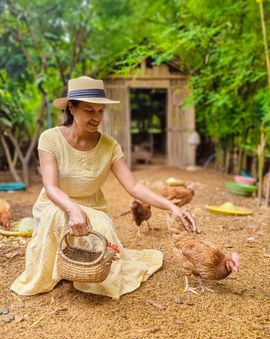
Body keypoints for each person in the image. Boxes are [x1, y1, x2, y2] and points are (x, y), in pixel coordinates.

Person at [11, 76, 198, 299]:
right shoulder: (50, 139)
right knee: (55, 215)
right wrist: (72, 208)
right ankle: (57, 266)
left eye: (100, 111)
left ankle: (83, 266)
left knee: (100, 226)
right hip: (56, 202)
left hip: (93, 208)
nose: (96, 117)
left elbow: (134, 185)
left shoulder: (109, 146)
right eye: (89, 110)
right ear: (72, 108)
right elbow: (51, 187)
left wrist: (172, 207)